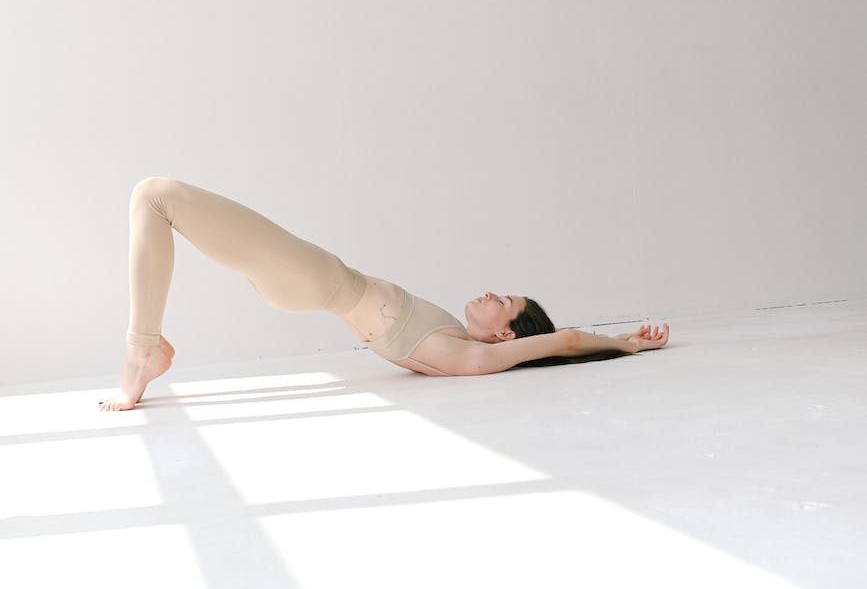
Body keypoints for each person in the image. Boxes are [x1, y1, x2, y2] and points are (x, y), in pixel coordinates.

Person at [99, 176, 669, 410]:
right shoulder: (453, 339)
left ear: (506, 334)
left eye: (507, 303)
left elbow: (563, 340)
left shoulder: (475, 357)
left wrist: (625, 343)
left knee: (155, 195)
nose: (494, 293)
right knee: (156, 199)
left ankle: (140, 349)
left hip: (317, 279)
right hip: (312, 280)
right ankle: (143, 346)